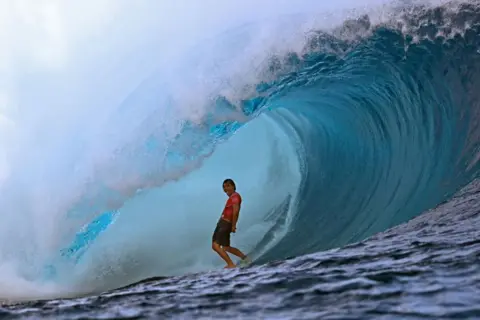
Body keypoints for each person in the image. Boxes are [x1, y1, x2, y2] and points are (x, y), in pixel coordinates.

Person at [212, 178, 250, 268]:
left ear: (233, 186)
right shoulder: (232, 198)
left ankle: (230, 264)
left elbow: (235, 212)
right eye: (224, 187)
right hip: (222, 223)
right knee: (226, 247)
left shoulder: (235, 196)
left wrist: (233, 225)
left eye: (228, 186)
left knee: (215, 246)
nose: (226, 188)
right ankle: (245, 258)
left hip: (225, 224)